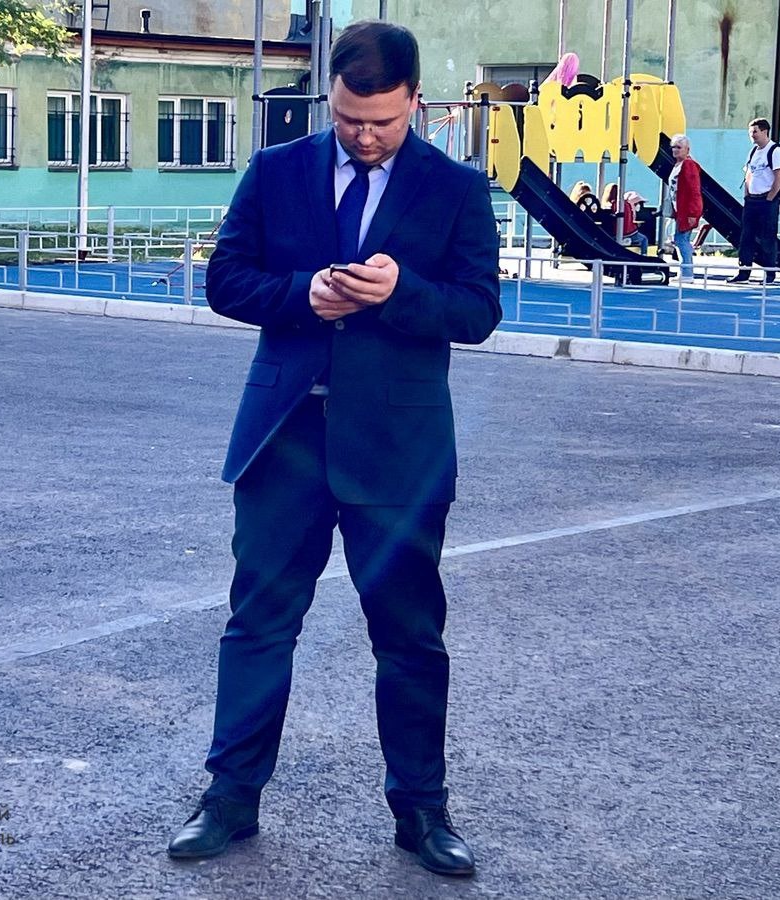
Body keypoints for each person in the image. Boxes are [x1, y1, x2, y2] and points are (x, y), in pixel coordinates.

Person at [166, 21, 501, 879]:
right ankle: (230, 798)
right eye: (350, 118)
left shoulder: (457, 189)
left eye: (382, 121)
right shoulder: (277, 170)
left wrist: (400, 291)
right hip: (286, 438)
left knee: (410, 636)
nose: (364, 135)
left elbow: (477, 310)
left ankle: (422, 811)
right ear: (331, 99)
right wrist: (301, 294)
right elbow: (225, 279)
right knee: (258, 623)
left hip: (398, 450)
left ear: (415, 101)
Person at [729, 117, 780, 284]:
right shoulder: (753, 151)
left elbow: (779, 177)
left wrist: (769, 199)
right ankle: (744, 271)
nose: (752, 135)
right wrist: (747, 194)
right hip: (752, 200)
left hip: (767, 200)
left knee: (768, 238)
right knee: (746, 236)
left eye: (755, 131)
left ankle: (769, 274)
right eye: (750, 132)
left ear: (764, 131)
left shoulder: (775, 151)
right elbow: (749, 173)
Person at [666, 135, 703, 279]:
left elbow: (694, 190)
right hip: (680, 210)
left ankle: (687, 273)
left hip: (687, 210)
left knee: (682, 240)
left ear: (687, 149)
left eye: (679, 147)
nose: (675, 150)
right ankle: (685, 271)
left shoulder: (688, 165)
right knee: (679, 240)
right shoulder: (678, 165)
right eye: (673, 147)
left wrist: (693, 213)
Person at [600, 183, 649, 254]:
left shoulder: (606, 207)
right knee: (644, 239)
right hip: (630, 233)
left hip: (612, 234)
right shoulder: (626, 204)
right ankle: (644, 255)